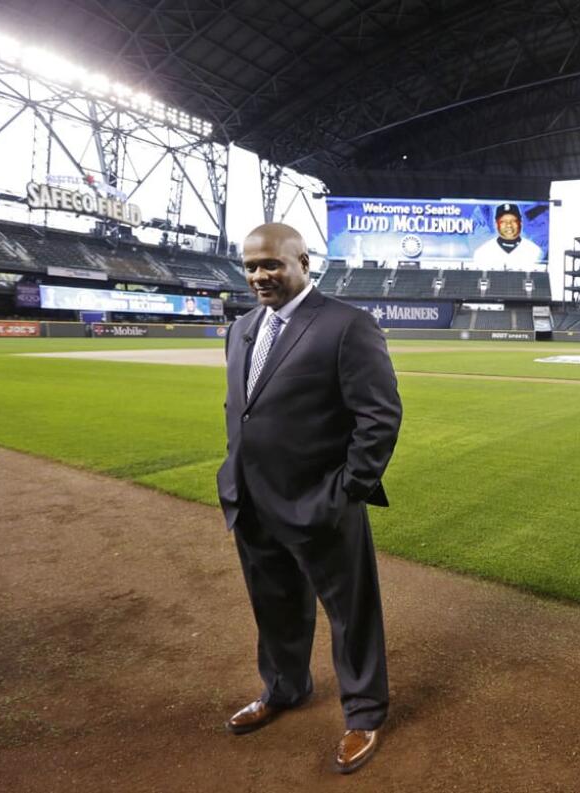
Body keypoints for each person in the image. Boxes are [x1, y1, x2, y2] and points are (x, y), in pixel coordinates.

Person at [216, 222, 402, 775]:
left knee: (352, 613)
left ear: (303, 261)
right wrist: (234, 477)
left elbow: (380, 417)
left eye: (271, 264)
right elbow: (245, 414)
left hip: (321, 502)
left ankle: (364, 713)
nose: (259, 276)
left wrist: (347, 492)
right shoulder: (242, 328)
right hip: (252, 499)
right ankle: (284, 688)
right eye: (250, 266)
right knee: (273, 605)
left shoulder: (347, 325)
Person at [472, 203, 543, 268]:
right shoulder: (482, 253)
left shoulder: (535, 252)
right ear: (496, 224)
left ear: (520, 222)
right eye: (503, 221)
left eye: (513, 221)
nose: (509, 225)